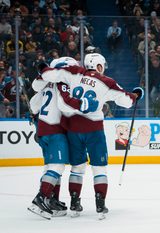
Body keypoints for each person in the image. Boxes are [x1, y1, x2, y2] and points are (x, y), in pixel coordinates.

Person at [38, 53, 144, 219]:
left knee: (77, 168)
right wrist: (136, 95)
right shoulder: (107, 82)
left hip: (73, 129)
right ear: (100, 66)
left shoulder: (74, 72)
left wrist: (43, 68)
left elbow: (49, 74)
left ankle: (74, 203)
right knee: (99, 168)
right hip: (94, 131)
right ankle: (100, 205)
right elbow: (127, 101)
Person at [28, 57, 98, 220]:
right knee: (57, 167)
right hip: (55, 130)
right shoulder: (63, 83)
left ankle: (52, 200)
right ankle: (41, 197)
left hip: (44, 129)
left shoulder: (47, 85)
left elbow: (33, 105)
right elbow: (64, 107)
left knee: (50, 166)